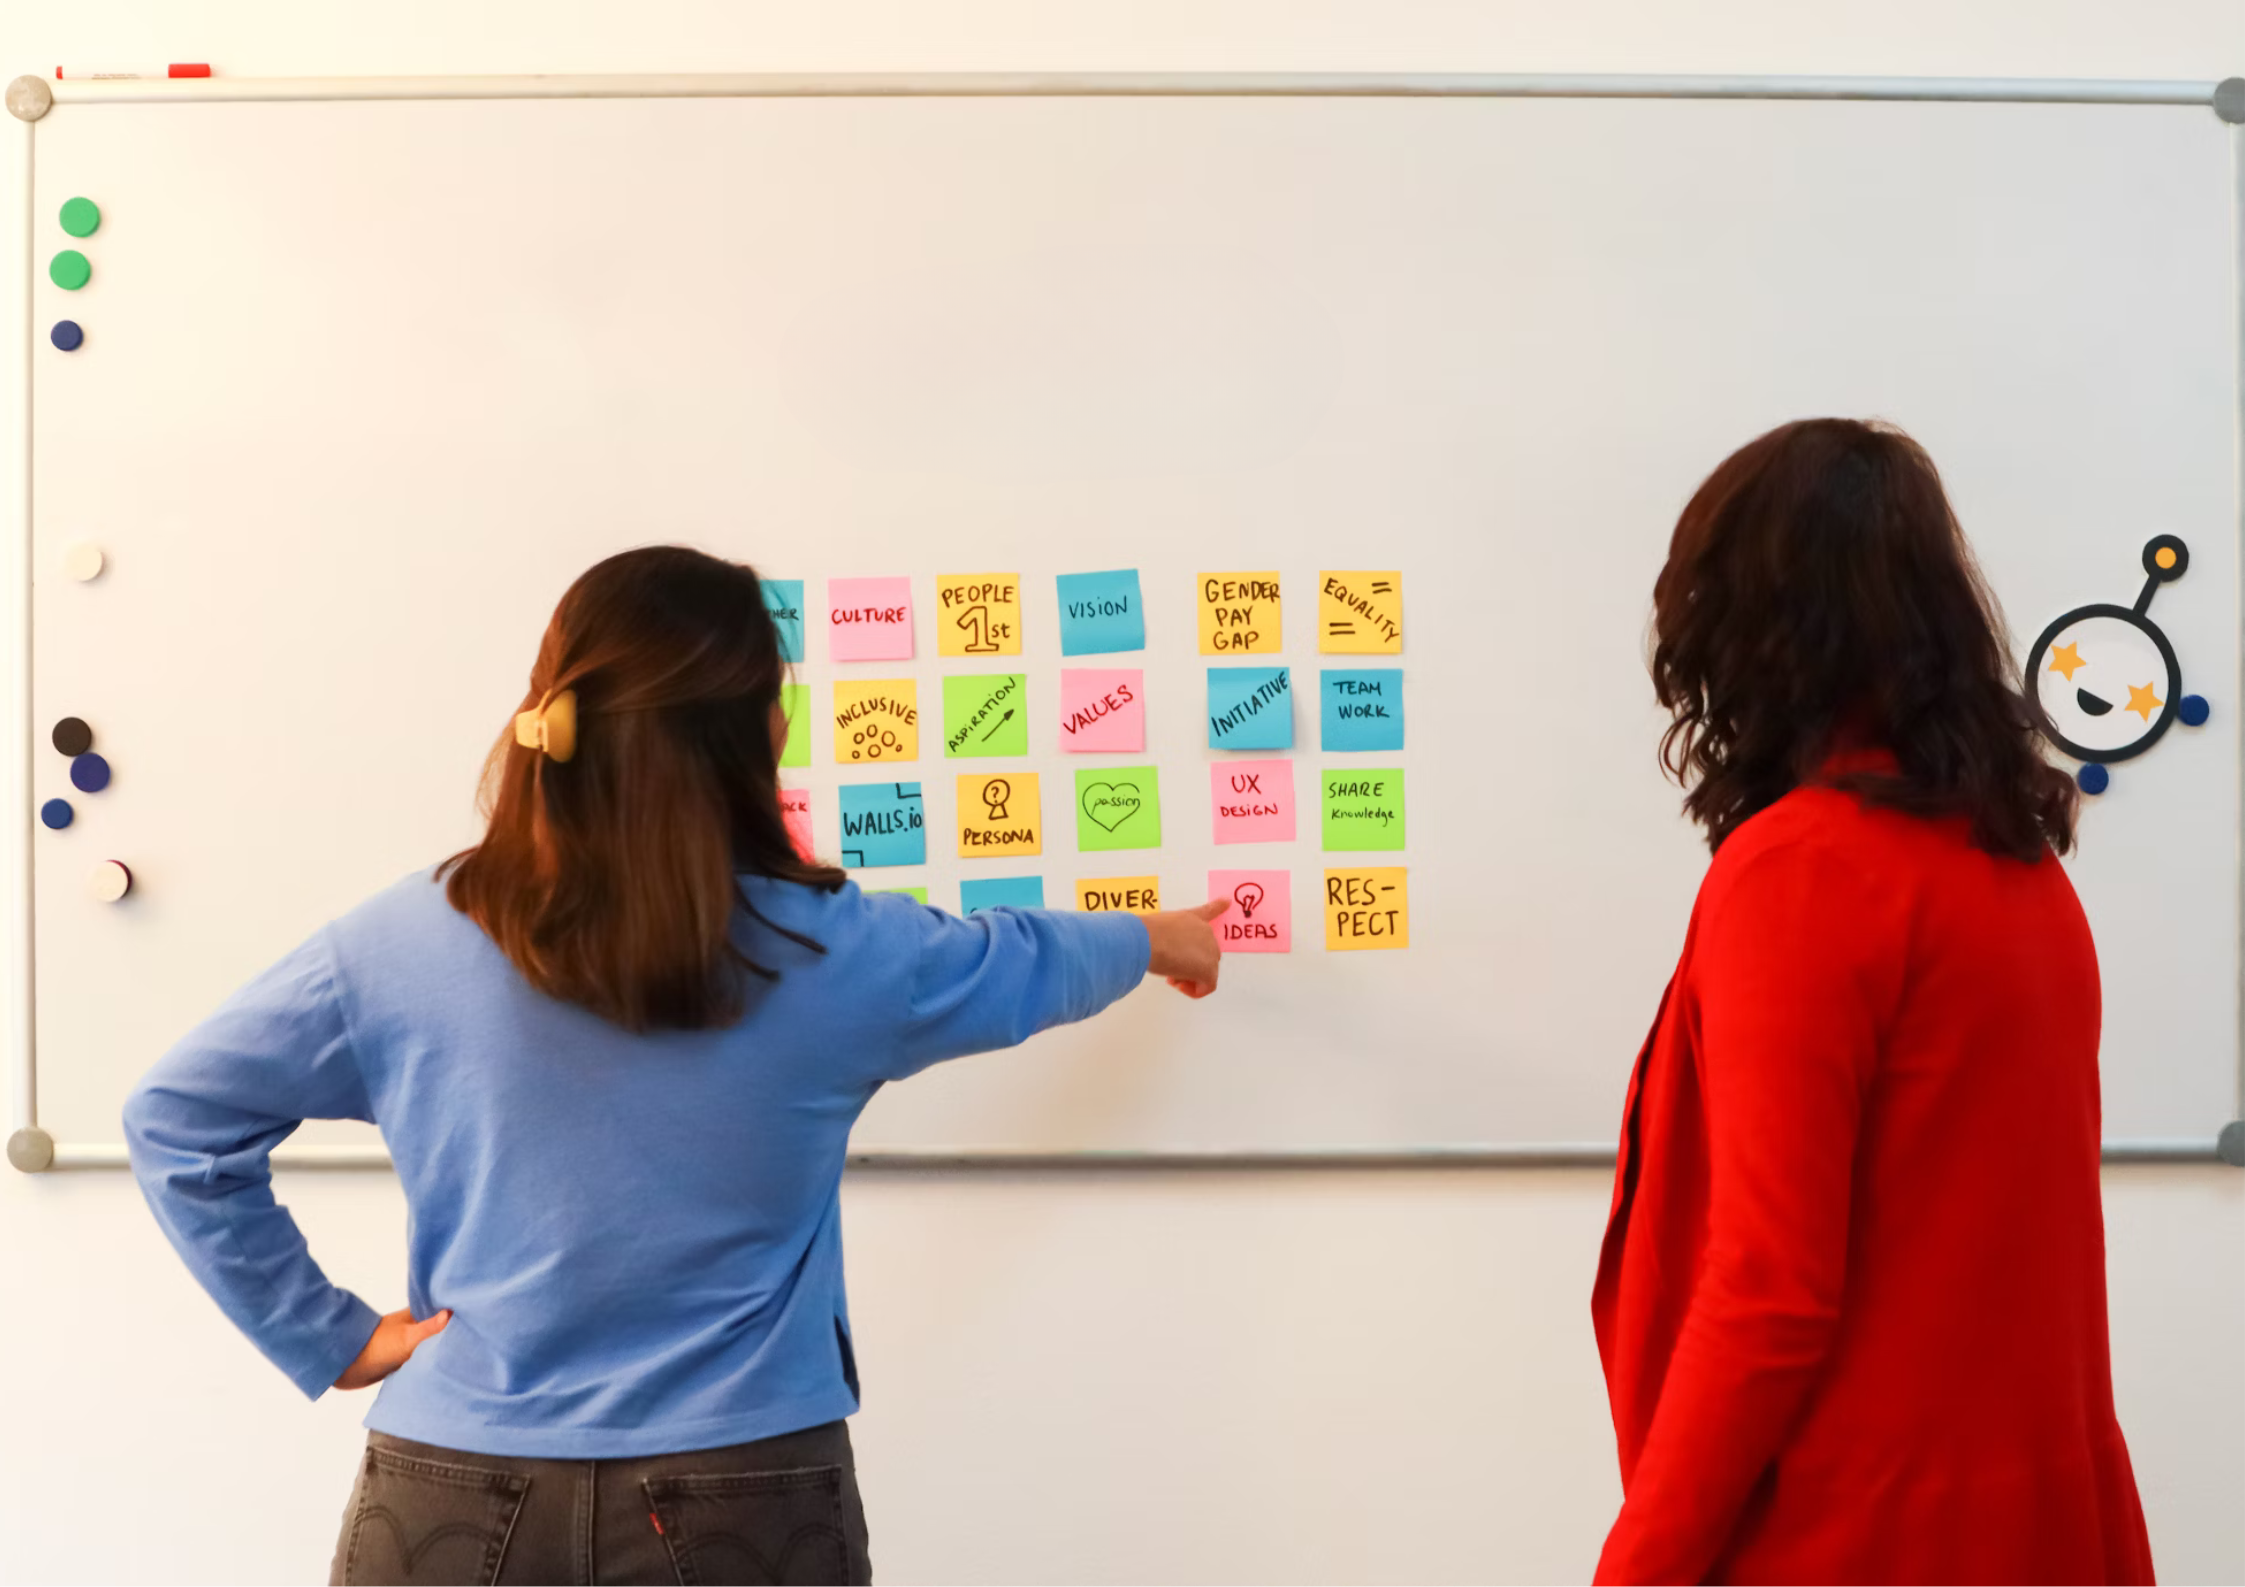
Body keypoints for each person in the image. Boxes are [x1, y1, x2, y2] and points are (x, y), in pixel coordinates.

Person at [123, 547, 1229, 1586]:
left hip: (450, 1483)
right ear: (761, 729)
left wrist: (330, 1335)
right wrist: (1161, 938)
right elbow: (1026, 957)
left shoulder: (401, 942)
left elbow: (178, 1118)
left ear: (551, 712)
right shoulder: (841, 954)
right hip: (746, 1484)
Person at [1592, 419, 2154, 1584]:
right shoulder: (2018, 869)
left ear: (1738, 623)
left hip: (1859, 1537)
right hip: (2037, 1526)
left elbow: (1767, 1294)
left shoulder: (1800, 873)